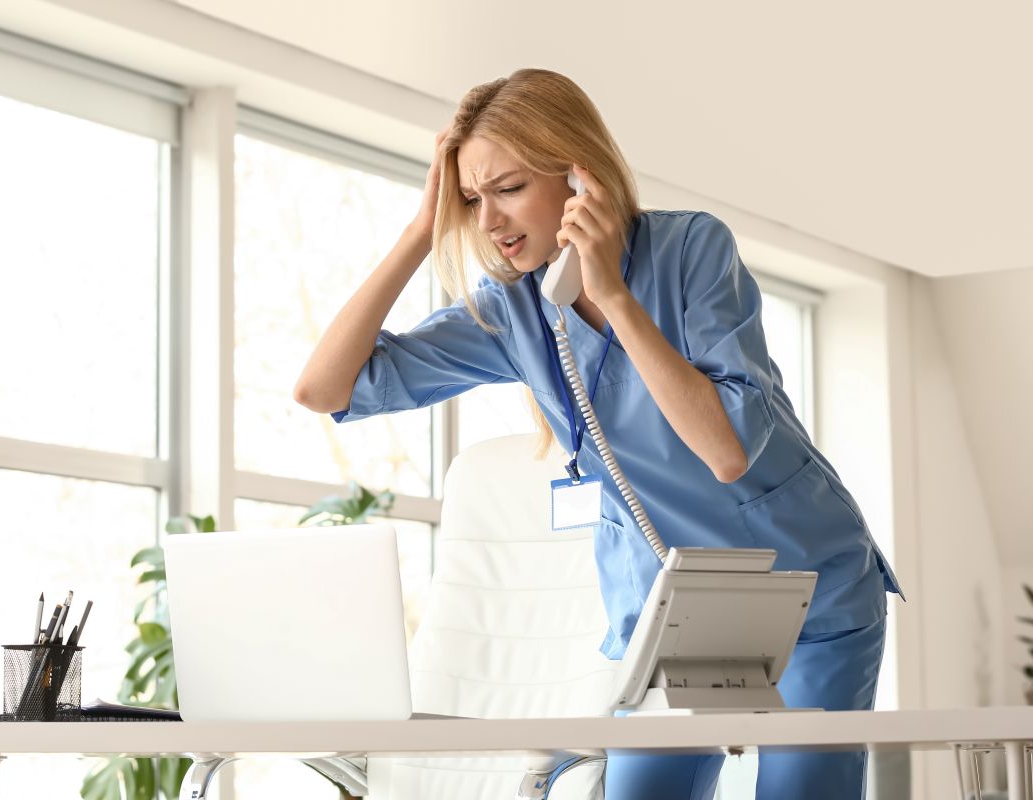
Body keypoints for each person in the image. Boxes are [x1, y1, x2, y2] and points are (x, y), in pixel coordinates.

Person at [294, 67, 902, 799]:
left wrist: (609, 290)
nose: (487, 221)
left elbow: (726, 452)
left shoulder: (692, 251)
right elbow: (322, 388)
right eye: (468, 199)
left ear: (579, 176)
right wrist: (421, 232)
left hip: (807, 584)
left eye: (508, 188)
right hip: (677, 609)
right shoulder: (515, 311)